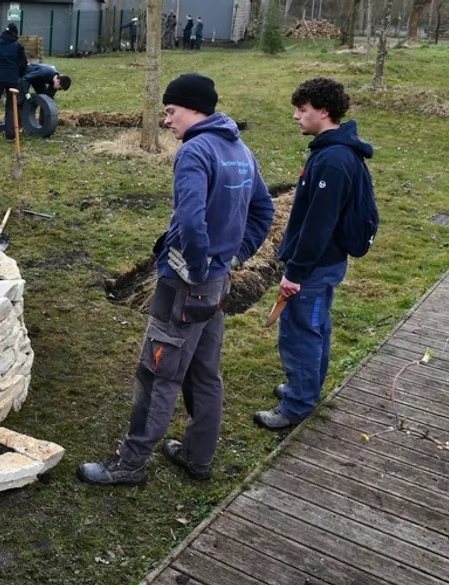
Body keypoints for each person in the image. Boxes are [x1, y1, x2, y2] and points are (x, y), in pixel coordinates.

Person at [77, 73, 275, 485]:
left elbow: (190, 219)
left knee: (158, 373)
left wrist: (200, 268)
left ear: (194, 108)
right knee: (205, 372)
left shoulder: (195, 152)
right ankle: (197, 456)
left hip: (187, 287)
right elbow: (263, 212)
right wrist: (234, 257)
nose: (167, 121)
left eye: (171, 112)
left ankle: (128, 464)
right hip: (217, 286)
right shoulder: (239, 149)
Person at [255, 78, 375, 431]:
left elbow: (318, 225)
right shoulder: (332, 151)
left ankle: (296, 405)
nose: (295, 116)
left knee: (301, 332)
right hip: (325, 262)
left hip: (315, 265)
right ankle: (305, 388)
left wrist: (295, 273)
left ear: (324, 112)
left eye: (302, 110)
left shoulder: (333, 161)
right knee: (317, 325)